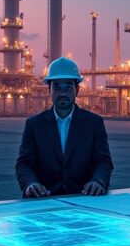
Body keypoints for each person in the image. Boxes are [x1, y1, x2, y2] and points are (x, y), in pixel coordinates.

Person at [16, 57, 114, 197]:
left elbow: (103, 161)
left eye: (68, 87)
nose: (62, 93)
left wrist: (98, 181)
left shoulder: (93, 123)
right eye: (57, 87)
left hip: (83, 198)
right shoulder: (34, 125)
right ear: (49, 90)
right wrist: (30, 184)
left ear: (77, 90)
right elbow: (24, 164)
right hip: (44, 199)